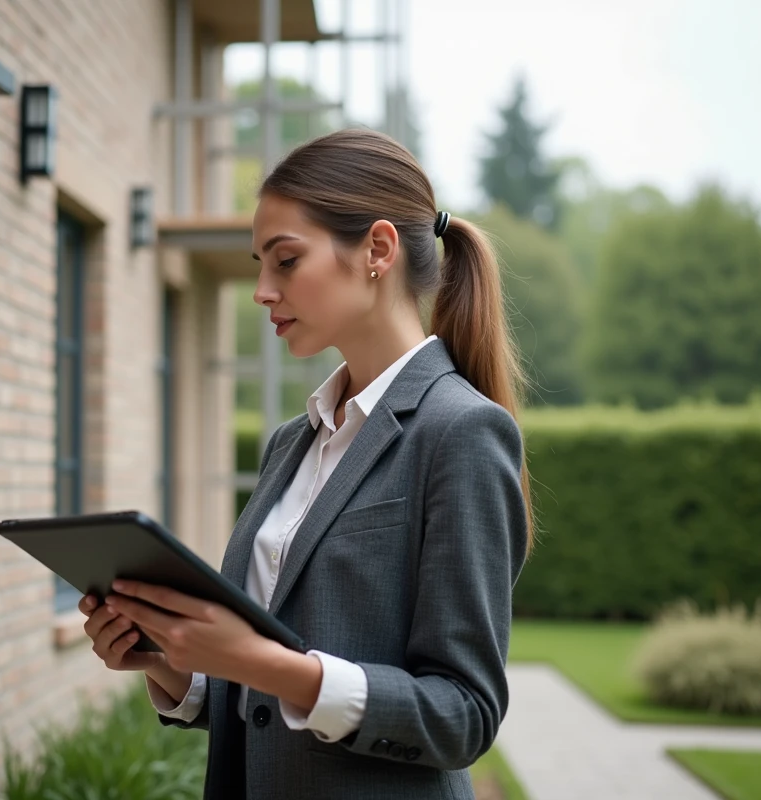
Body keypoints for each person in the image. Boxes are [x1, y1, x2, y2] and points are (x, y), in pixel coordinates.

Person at [79, 128, 533, 800]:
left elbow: (463, 714)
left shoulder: (461, 432)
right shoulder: (294, 442)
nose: (262, 290)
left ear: (377, 250)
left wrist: (264, 662)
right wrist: (173, 664)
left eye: (285, 261)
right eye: (259, 263)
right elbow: (260, 703)